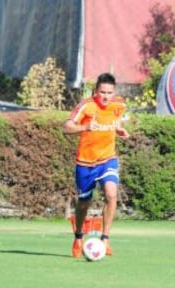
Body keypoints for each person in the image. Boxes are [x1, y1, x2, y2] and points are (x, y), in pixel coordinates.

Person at [62, 73, 129, 258]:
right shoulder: (86, 106)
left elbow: (114, 122)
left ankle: (105, 239)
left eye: (109, 92)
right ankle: (78, 237)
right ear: (96, 91)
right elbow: (66, 127)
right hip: (85, 162)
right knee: (83, 203)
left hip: (107, 159)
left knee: (111, 193)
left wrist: (119, 129)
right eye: (102, 92)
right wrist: (85, 127)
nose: (106, 96)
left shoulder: (119, 106)